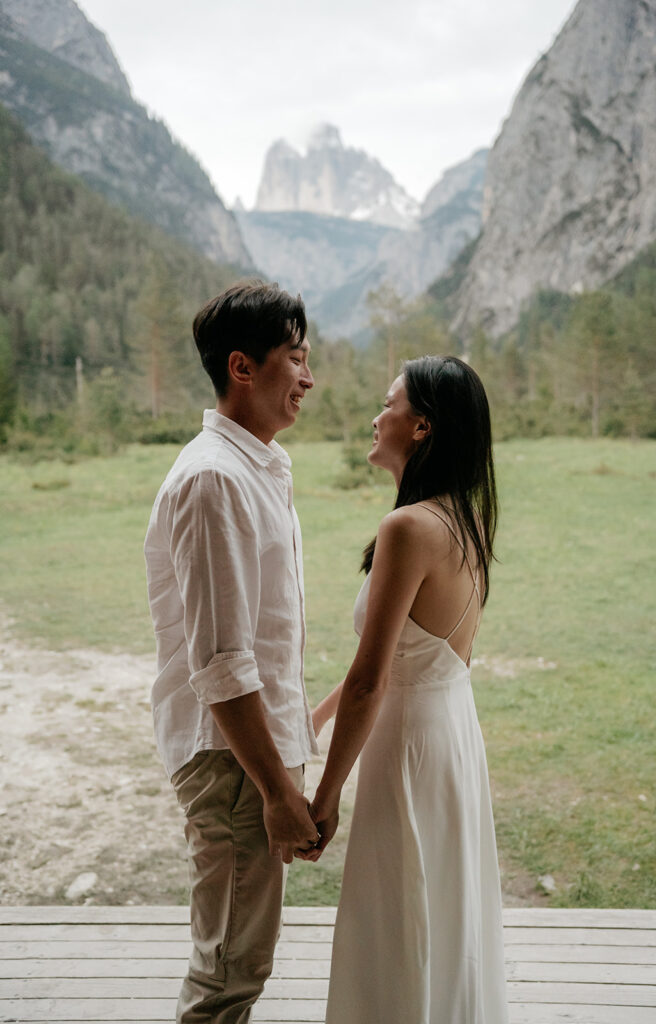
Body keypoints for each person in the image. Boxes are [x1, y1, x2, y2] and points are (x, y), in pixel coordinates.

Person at [307, 355, 509, 1023]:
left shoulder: (406, 528)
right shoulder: (465, 520)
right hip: (449, 734)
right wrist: (315, 716)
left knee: (399, 916)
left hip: (410, 749)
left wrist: (325, 795)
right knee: (440, 912)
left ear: (421, 426)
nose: (375, 416)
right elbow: (400, 658)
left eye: (387, 403)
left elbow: (372, 680)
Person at [144, 279, 321, 1024]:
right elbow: (222, 663)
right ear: (243, 368)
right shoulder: (215, 478)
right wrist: (279, 791)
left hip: (250, 754)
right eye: (296, 357)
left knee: (238, 963)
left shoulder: (258, 467)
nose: (309, 378)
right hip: (233, 761)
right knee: (227, 974)